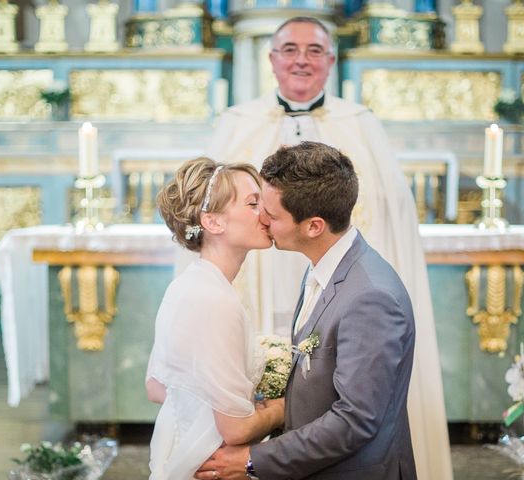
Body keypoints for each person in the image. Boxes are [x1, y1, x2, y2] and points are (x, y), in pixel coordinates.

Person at [206, 16, 452, 480]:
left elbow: (391, 210)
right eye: (290, 49)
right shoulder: (238, 123)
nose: (301, 60)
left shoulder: (359, 125)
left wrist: (254, 458)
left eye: (314, 50)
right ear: (272, 59)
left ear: (331, 61)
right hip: (278, 285)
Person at [196, 141, 416, 480]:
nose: (262, 220)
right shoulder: (325, 267)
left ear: (314, 226)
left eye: (271, 213)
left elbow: (354, 421)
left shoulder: (370, 298)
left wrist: (253, 460)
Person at [144, 158, 285, 480]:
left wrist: (211, 407)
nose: (266, 212)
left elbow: (156, 386)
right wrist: (280, 408)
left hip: (188, 451)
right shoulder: (215, 300)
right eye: (253, 203)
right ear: (213, 222)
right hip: (210, 463)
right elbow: (235, 430)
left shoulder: (189, 284)